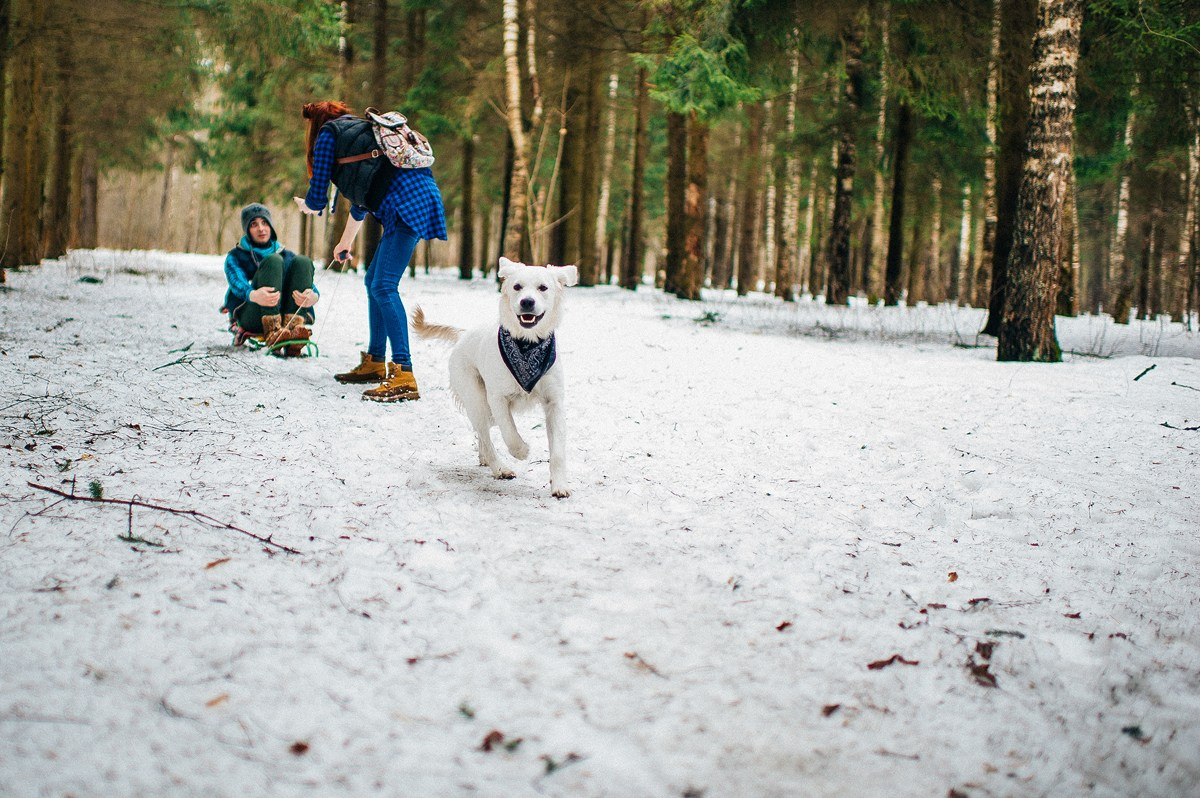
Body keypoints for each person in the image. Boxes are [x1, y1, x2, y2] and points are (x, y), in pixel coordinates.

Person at [294, 100, 447, 402]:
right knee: (373, 281)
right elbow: (362, 202)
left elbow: (318, 192)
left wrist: (308, 205)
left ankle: (403, 373)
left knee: (384, 285)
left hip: (407, 205)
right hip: (414, 200)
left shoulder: (329, 135)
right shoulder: (362, 133)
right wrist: (345, 242)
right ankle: (376, 361)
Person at [222, 203, 319, 354]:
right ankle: (273, 331)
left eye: (264, 223)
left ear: (271, 227)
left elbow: (310, 285)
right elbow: (236, 282)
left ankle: (294, 330)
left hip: (285, 315)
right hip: (253, 314)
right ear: (247, 229)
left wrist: (313, 296)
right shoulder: (236, 256)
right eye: (254, 224)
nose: (261, 228)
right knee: (273, 261)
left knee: (303, 261)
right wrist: (253, 294)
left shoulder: (287, 255)